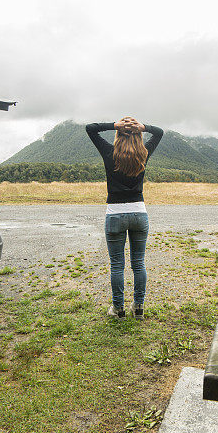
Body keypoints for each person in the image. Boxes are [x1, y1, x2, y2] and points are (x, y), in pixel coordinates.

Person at [86, 117, 163, 320]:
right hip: (139, 213)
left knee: (117, 265)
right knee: (138, 263)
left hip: (115, 215)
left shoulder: (109, 152)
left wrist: (115, 125)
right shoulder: (143, 154)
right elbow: (160, 132)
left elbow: (91, 128)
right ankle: (138, 308)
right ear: (138, 136)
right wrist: (143, 127)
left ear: (118, 134)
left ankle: (118, 309)